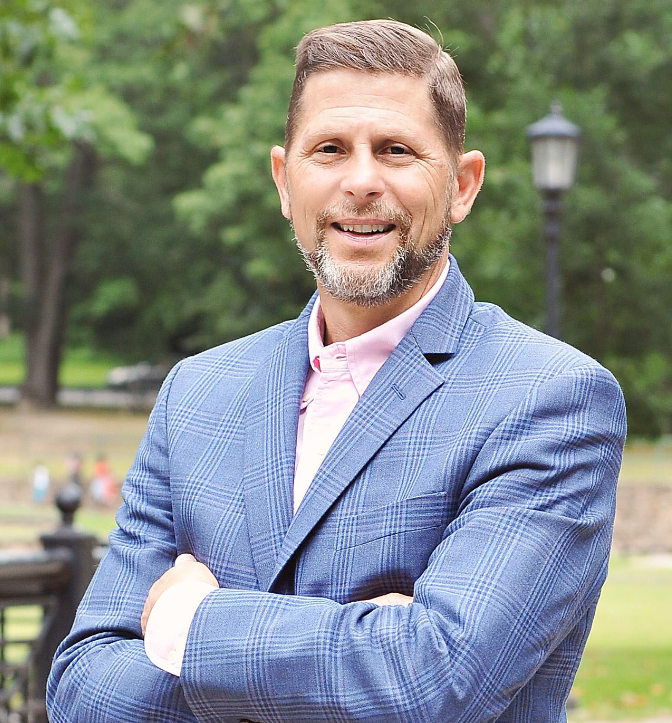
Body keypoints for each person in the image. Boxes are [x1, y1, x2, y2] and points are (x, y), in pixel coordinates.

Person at [47, 19, 626, 723]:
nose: (360, 182)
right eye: (329, 149)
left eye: (396, 150)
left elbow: (431, 683)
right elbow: (83, 688)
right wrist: (356, 655)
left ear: (463, 185)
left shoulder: (552, 399)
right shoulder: (197, 394)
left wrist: (186, 624)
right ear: (283, 180)